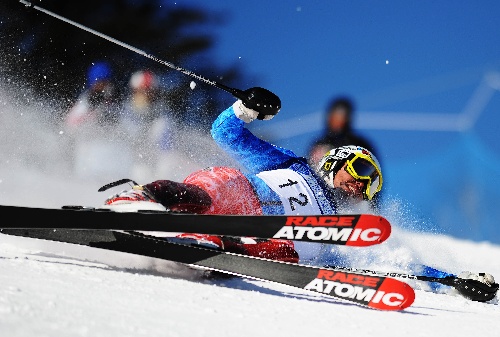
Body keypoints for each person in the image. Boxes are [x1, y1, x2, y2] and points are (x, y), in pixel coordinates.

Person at [103, 87, 383, 264]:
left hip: (264, 235)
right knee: (216, 188)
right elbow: (225, 134)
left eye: (371, 187)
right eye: (362, 170)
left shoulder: (339, 229)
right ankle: (142, 198)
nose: (362, 184)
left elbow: (373, 260)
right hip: (243, 196)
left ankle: (215, 246)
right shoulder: (294, 166)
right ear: (338, 160)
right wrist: (245, 110)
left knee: (283, 253)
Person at [307, 96, 377, 168]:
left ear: (348, 118)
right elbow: (308, 169)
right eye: (335, 114)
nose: (337, 119)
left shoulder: (358, 144)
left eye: (342, 115)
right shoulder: (318, 144)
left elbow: (372, 171)